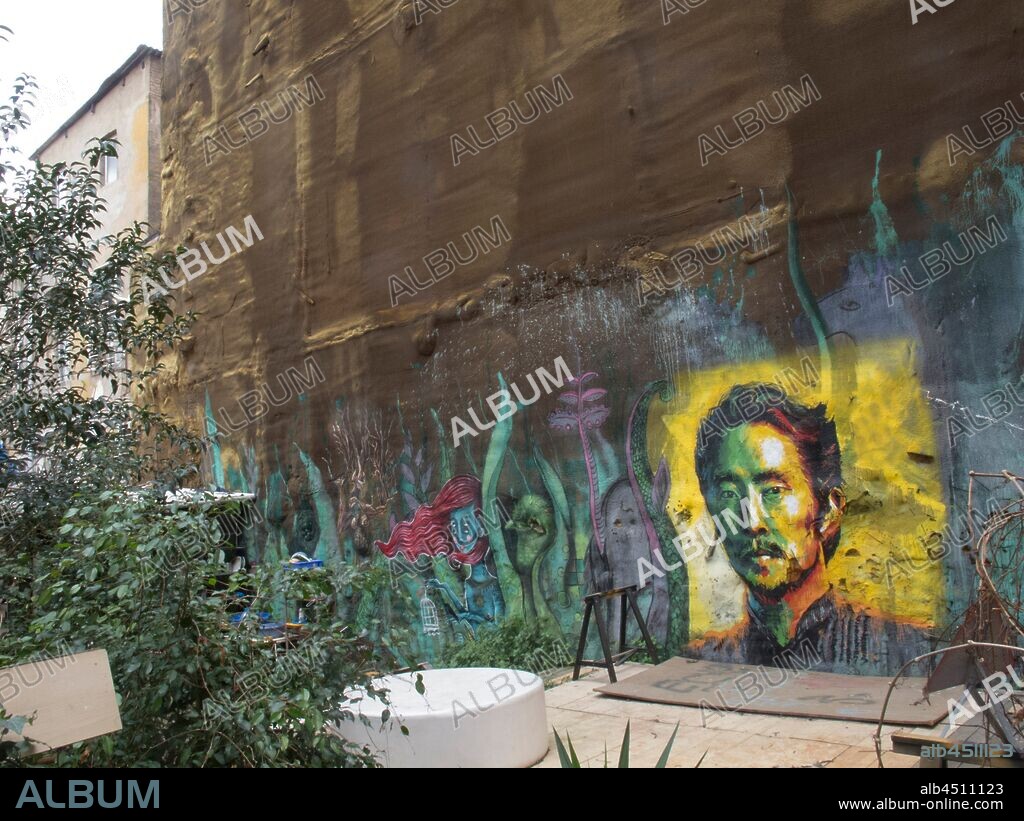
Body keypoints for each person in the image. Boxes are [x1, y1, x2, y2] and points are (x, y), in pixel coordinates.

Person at [685, 383, 929, 675]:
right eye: (727, 494)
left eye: (774, 491)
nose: (751, 522)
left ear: (828, 510)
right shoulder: (704, 661)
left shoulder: (912, 652)